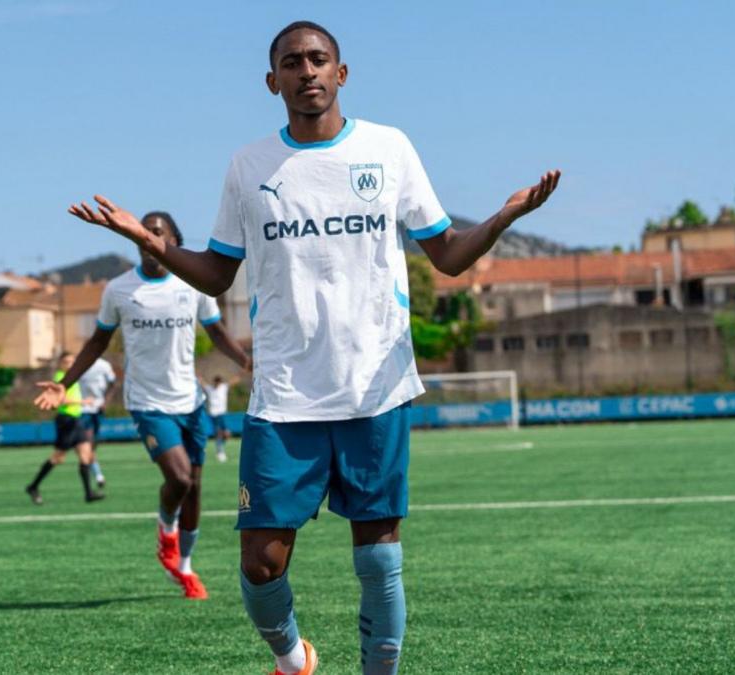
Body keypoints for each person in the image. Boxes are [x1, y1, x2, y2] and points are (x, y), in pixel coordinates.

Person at [68, 20, 559, 674]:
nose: (307, 72)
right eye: (293, 63)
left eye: (319, 60)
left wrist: (501, 218)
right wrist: (158, 247)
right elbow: (217, 274)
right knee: (260, 562)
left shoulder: (389, 149)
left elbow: (444, 254)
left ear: (342, 72)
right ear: (273, 81)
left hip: (374, 391)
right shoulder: (249, 165)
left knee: (379, 558)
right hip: (285, 396)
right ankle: (294, 656)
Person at [35, 211, 250, 601]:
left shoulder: (193, 285)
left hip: (190, 400)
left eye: (156, 233)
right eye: (143, 234)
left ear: (173, 241)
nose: (148, 239)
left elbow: (217, 331)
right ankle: (165, 527)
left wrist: (248, 363)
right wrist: (64, 384)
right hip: (147, 402)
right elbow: (98, 341)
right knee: (180, 479)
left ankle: (184, 566)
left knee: (196, 487)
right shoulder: (119, 290)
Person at [25, 352, 106, 505]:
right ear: (61, 364)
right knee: (58, 458)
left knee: (85, 455)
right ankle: (33, 486)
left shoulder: (75, 379)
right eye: (66, 362)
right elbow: (60, 400)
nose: (69, 364)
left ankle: (88, 493)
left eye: (72, 362)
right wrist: (81, 402)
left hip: (77, 420)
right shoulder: (60, 378)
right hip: (66, 421)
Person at [78, 357, 117, 489]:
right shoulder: (79, 362)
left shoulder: (104, 365)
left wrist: (106, 402)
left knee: (92, 446)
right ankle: (98, 476)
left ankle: (97, 474)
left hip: (98, 409)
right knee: (87, 445)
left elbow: (113, 383)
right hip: (82, 410)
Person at [199, 374, 240, 462]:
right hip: (214, 414)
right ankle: (220, 451)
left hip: (222, 414)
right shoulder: (210, 389)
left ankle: (219, 448)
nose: (217, 383)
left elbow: (235, 380)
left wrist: (244, 371)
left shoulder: (223, 387)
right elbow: (202, 383)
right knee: (218, 433)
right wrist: (199, 376)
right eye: (216, 381)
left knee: (227, 434)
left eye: (219, 381)